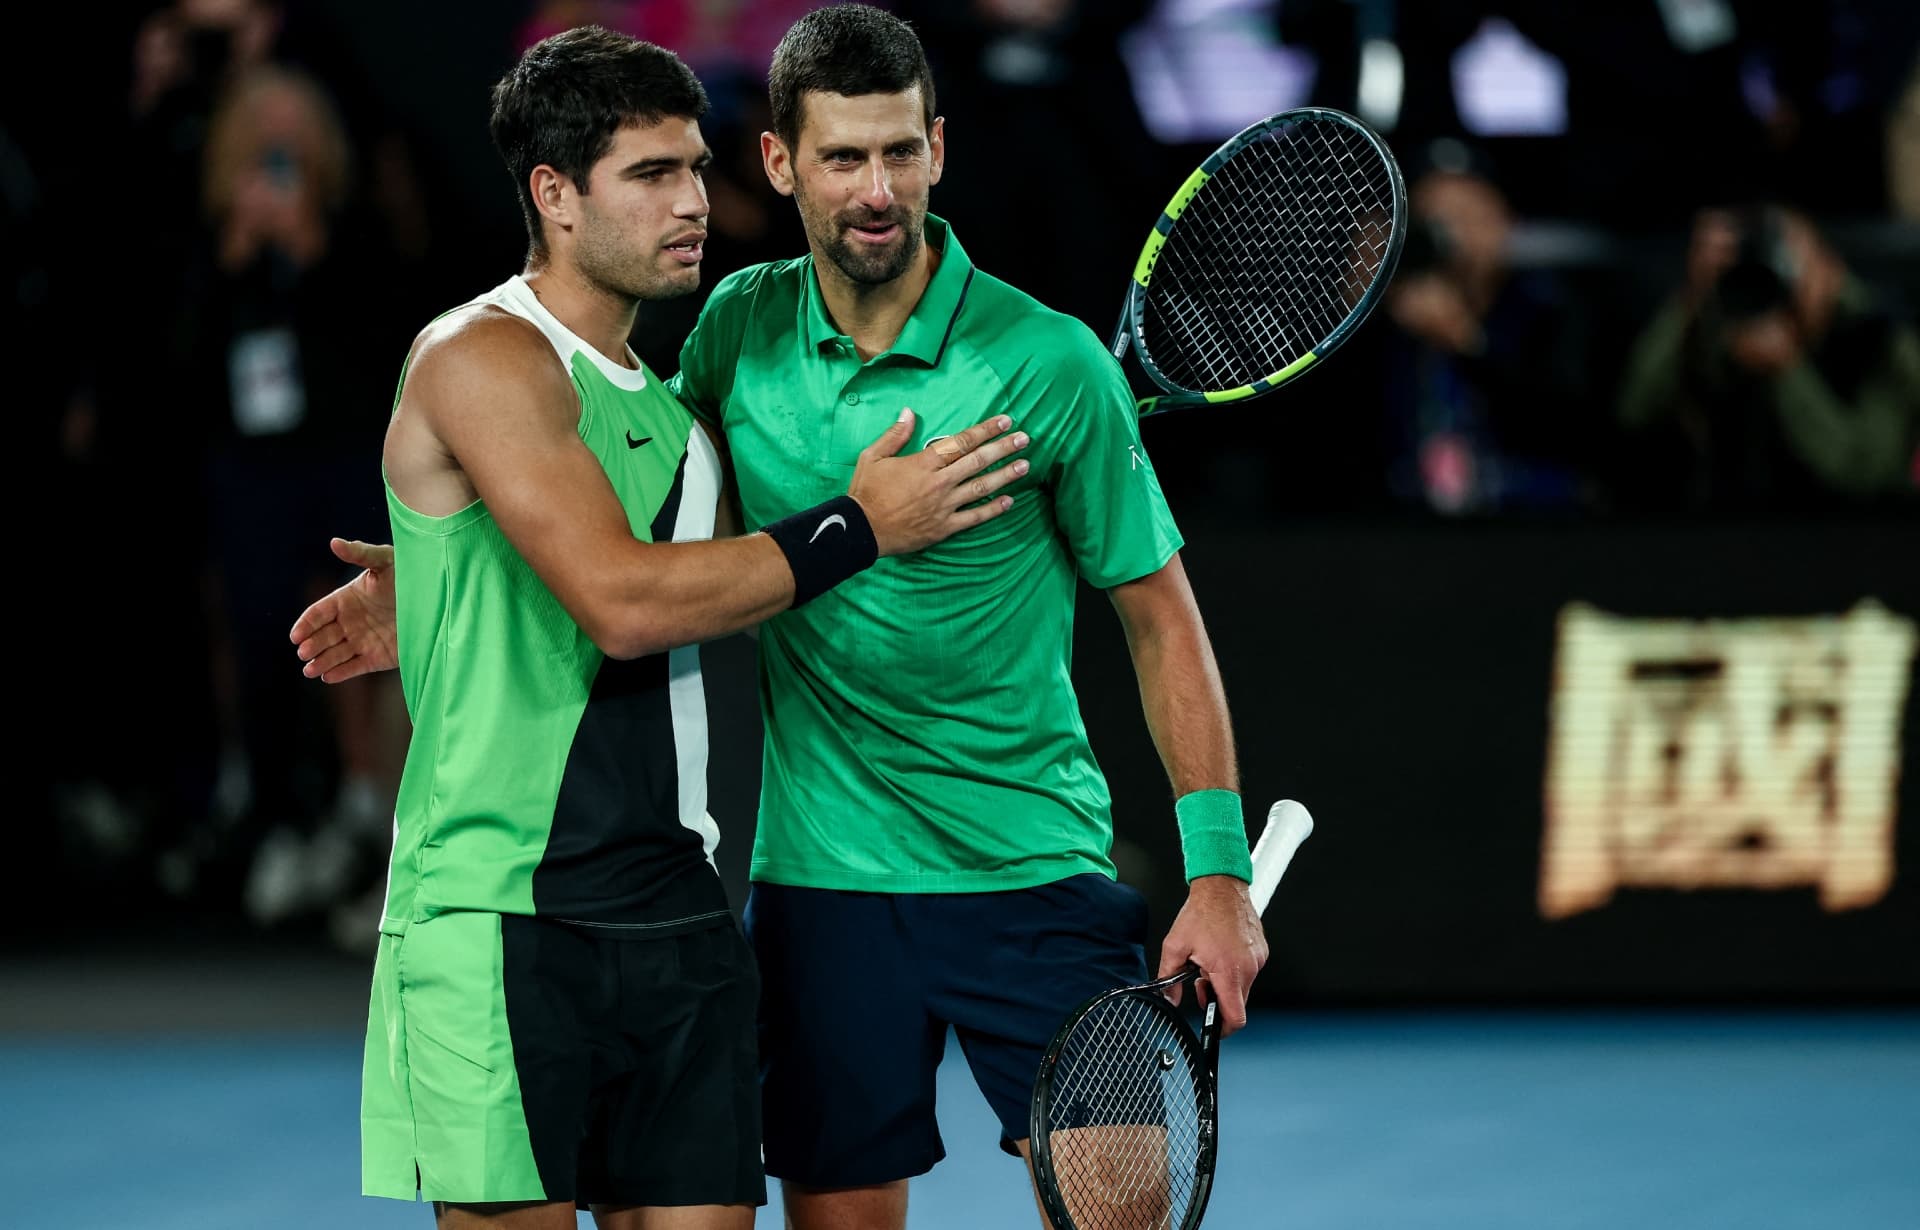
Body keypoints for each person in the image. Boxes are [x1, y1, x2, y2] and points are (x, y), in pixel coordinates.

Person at [294, 8, 1269, 1229]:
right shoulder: (734, 333)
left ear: (938, 149)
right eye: (844, 158)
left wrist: (1218, 872)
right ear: (782, 163)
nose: (878, 189)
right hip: (817, 891)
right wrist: (451, 571)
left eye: (901, 152)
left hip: (1031, 869)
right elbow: (627, 521)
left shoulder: (1054, 364)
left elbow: (1163, 622)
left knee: (1124, 1210)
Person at [1617, 202, 1920, 510]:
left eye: (1788, 268)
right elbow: (1636, 414)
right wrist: (1692, 299)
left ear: (1830, 270)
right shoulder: (1723, 332)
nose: (1776, 296)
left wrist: (1788, 370)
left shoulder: (1879, 341)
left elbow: (1866, 477)